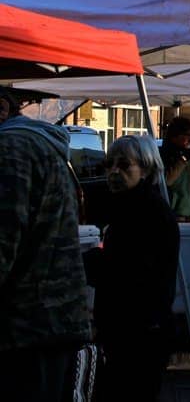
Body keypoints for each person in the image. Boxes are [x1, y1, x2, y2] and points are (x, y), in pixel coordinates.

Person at [0, 89, 90, 402]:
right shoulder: (37, 145)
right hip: (47, 323)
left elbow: (3, 240)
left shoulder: (11, 149)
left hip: (27, 330)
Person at [85, 135, 180, 401]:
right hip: (131, 330)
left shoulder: (147, 212)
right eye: (110, 164)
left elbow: (131, 272)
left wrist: (91, 261)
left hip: (139, 334)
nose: (114, 171)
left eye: (124, 165)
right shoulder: (129, 207)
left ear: (146, 169)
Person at [159, 116, 190, 219]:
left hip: (189, 213)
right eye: (187, 135)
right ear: (175, 136)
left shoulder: (186, 156)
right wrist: (182, 160)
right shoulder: (164, 155)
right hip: (174, 214)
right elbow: (166, 181)